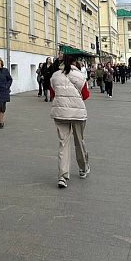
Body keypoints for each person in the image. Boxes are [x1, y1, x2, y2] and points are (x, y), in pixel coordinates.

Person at [50, 53, 90, 188]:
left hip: (60, 113)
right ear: (74, 63)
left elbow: (53, 93)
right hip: (77, 113)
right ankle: (83, 168)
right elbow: (85, 95)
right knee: (79, 141)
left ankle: (62, 176)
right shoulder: (80, 76)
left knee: (63, 144)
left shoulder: (55, 76)